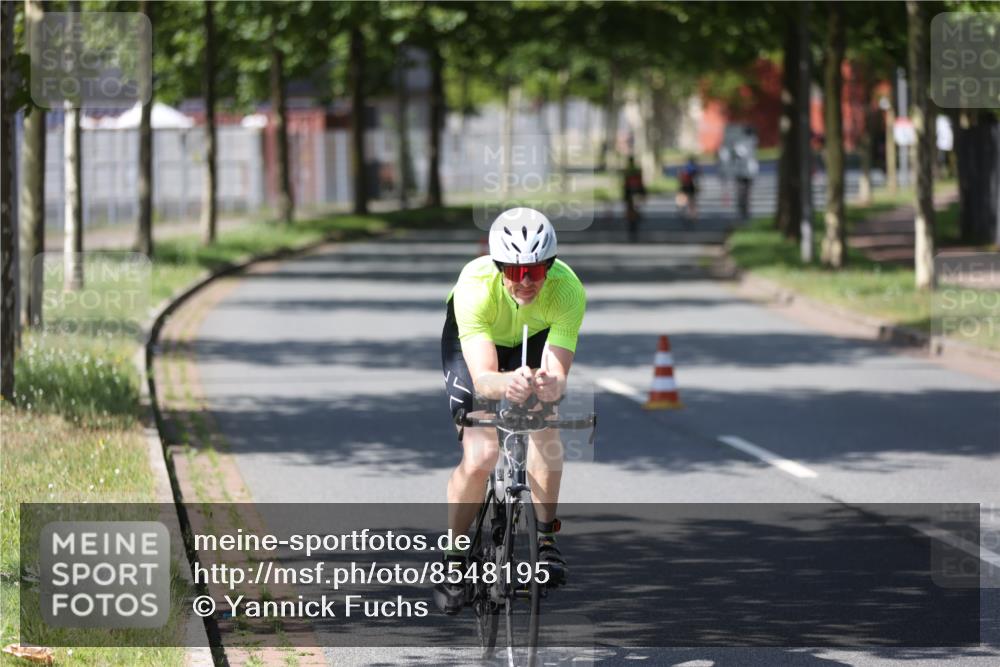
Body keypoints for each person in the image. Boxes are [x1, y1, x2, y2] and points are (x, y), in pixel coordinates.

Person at [434, 207, 586, 615]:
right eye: (515, 271)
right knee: (481, 452)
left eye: (535, 271)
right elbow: (484, 378)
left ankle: (546, 540)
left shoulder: (568, 290)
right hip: (474, 347)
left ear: (549, 267)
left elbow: (557, 374)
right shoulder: (475, 287)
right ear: (499, 266)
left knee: (546, 426)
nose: (525, 281)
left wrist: (550, 384)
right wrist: (507, 384)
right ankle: (454, 557)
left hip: (533, 337)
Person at [623, 156, 646, 242]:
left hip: (629, 192)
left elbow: (625, 183)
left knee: (630, 207)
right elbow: (641, 181)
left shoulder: (627, 170)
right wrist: (643, 192)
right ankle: (637, 216)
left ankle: (632, 217)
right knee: (636, 206)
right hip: (637, 191)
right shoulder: (637, 169)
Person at [676, 155, 700, 222]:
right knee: (692, 199)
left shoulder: (685, 167)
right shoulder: (694, 167)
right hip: (690, 185)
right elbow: (696, 177)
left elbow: (679, 176)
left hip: (684, 185)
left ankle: (681, 207)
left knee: (683, 196)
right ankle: (693, 214)